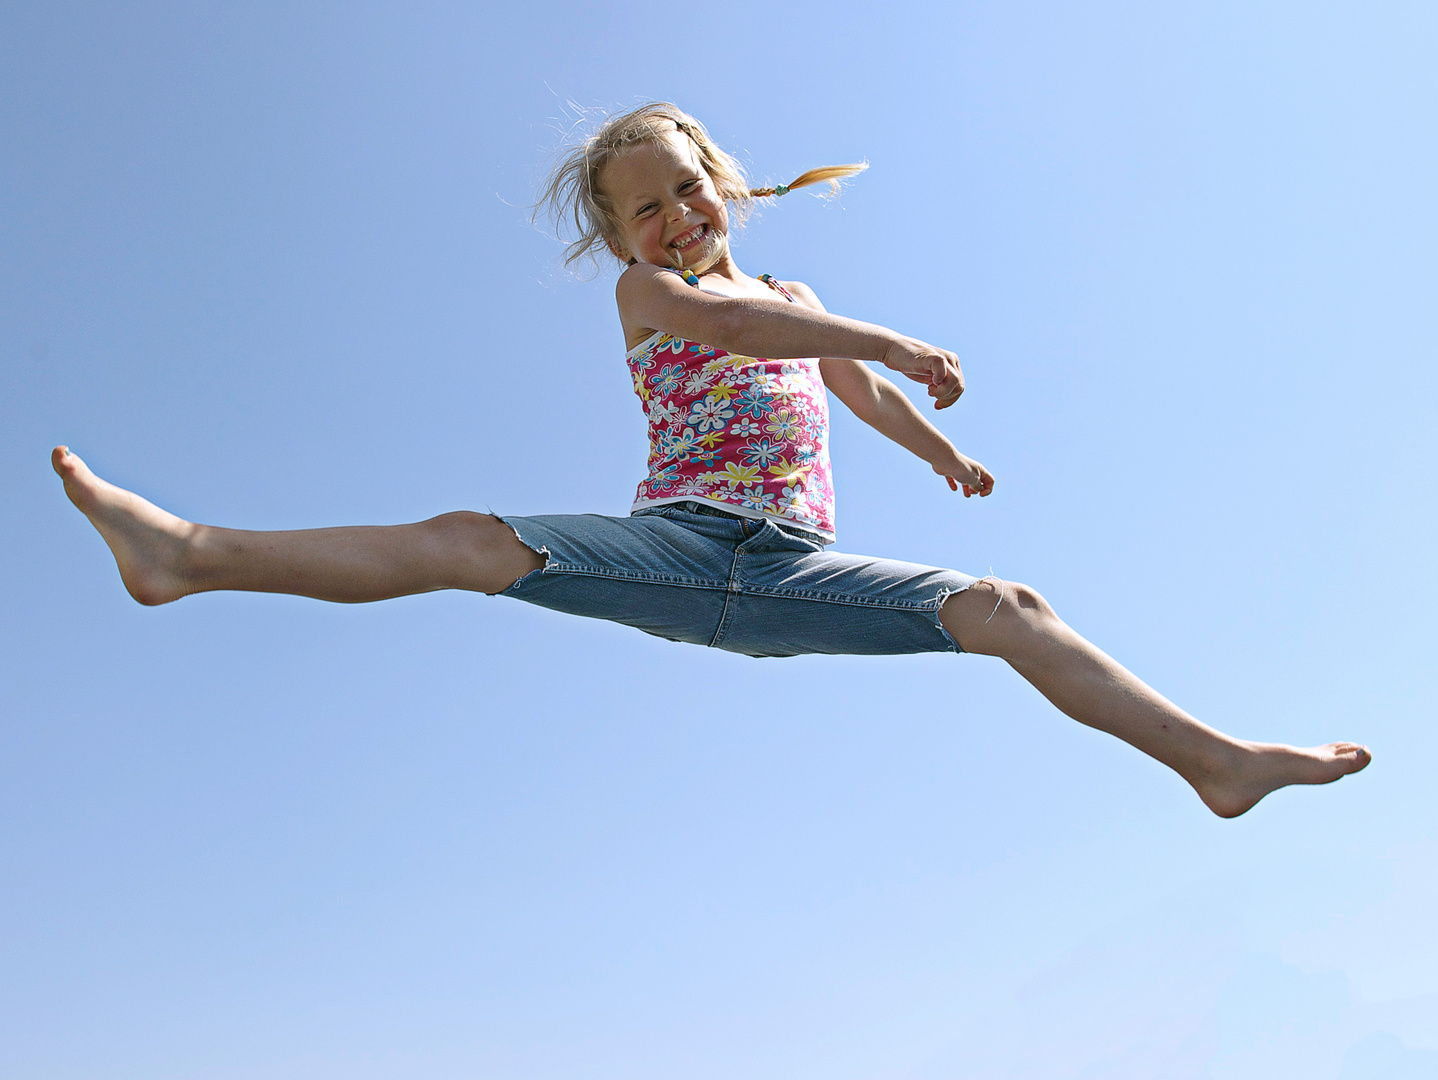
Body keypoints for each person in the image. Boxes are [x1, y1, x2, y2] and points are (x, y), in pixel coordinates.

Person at [51, 102, 1369, 817]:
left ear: (721, 181)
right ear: (625, 241)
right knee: (470, 538)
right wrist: (907, 342)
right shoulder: (651, 299)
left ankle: (1216, 761)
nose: (678, 218)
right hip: (684, 547)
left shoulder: (787, 287)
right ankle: (187, 555)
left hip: (795, 573)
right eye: (647, 211)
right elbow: (750, 329)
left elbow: (842, 389)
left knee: (1013, 611)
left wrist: (938, 451)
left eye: (689, 188)